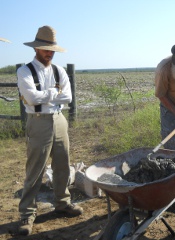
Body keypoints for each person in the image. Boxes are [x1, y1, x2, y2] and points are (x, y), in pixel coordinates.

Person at [17, 25, 83, 236]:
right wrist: (55, 92)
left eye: (52, 49)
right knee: (35, 168)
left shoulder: (59, 70)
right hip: (38, 121)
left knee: (62, 163)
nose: (50, 53)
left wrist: (45, 94)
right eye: (46, 49)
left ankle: (62, 203)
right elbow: (32, 98)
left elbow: (68, 98)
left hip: (59, 120)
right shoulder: (25, 71)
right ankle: (27, 213)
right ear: (36, 48)